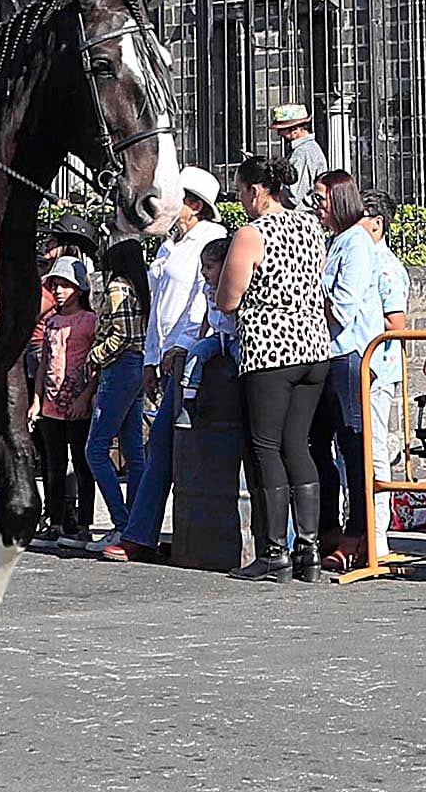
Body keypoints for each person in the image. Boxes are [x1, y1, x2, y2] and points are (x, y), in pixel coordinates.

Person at [211, 155, 333, 582]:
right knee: (297, 445)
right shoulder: (310, 226)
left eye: (242, 191)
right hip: (313, 346)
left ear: (256, 191)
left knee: (265, 447)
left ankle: (275, 550)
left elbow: (229, 298)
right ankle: (310, 549)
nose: (241, 200)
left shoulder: (251, 233)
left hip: (270, 347)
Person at [126, 165, 222, 561]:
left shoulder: (211, 240)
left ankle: (140, 532)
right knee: (161, 445)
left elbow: (204, 300)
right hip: (165, 359)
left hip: (188, 357)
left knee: (162, 442)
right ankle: (142, 530)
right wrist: (150, 359)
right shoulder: (169, 245)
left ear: (195, 205)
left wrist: (181, 346)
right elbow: (159, 308)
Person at [316, 173, 407, 564]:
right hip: (328, 354)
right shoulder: (336, 240)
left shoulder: (357, 244)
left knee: (358, 447)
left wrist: (304, 292)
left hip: (352, 355)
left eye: (321, 197)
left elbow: (345, 306)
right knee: (321, 443)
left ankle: (362, 533)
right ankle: (329, 526)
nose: (315, 204)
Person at [81, 230, 152, 560]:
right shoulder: (140, 287)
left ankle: (121, 521)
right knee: (133, 450)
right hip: (137, 366)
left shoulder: (116, 288)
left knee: (95, 449)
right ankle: (136, 524)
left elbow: (120, 335)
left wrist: (93, 357)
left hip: (120, 367)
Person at [22, 262, 102, 551]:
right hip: (51, 404)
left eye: (64, 285)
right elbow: (44, 362)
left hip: (78, 403)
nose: (57, 291)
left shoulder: (89, 321)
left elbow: (95, 365)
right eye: (54, 285)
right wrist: (37, 400)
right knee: (54, 465)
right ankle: (55, 522)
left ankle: (83, 525)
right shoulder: (52, 322)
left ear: (79, 289)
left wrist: (86, 396)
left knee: (82, 464)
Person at [271, 102, 334, 210]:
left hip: (302, 215)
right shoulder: (307, 149)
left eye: (281, 129)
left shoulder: (302, 153)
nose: (279, 134)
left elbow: (293, 195)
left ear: (294, 129)